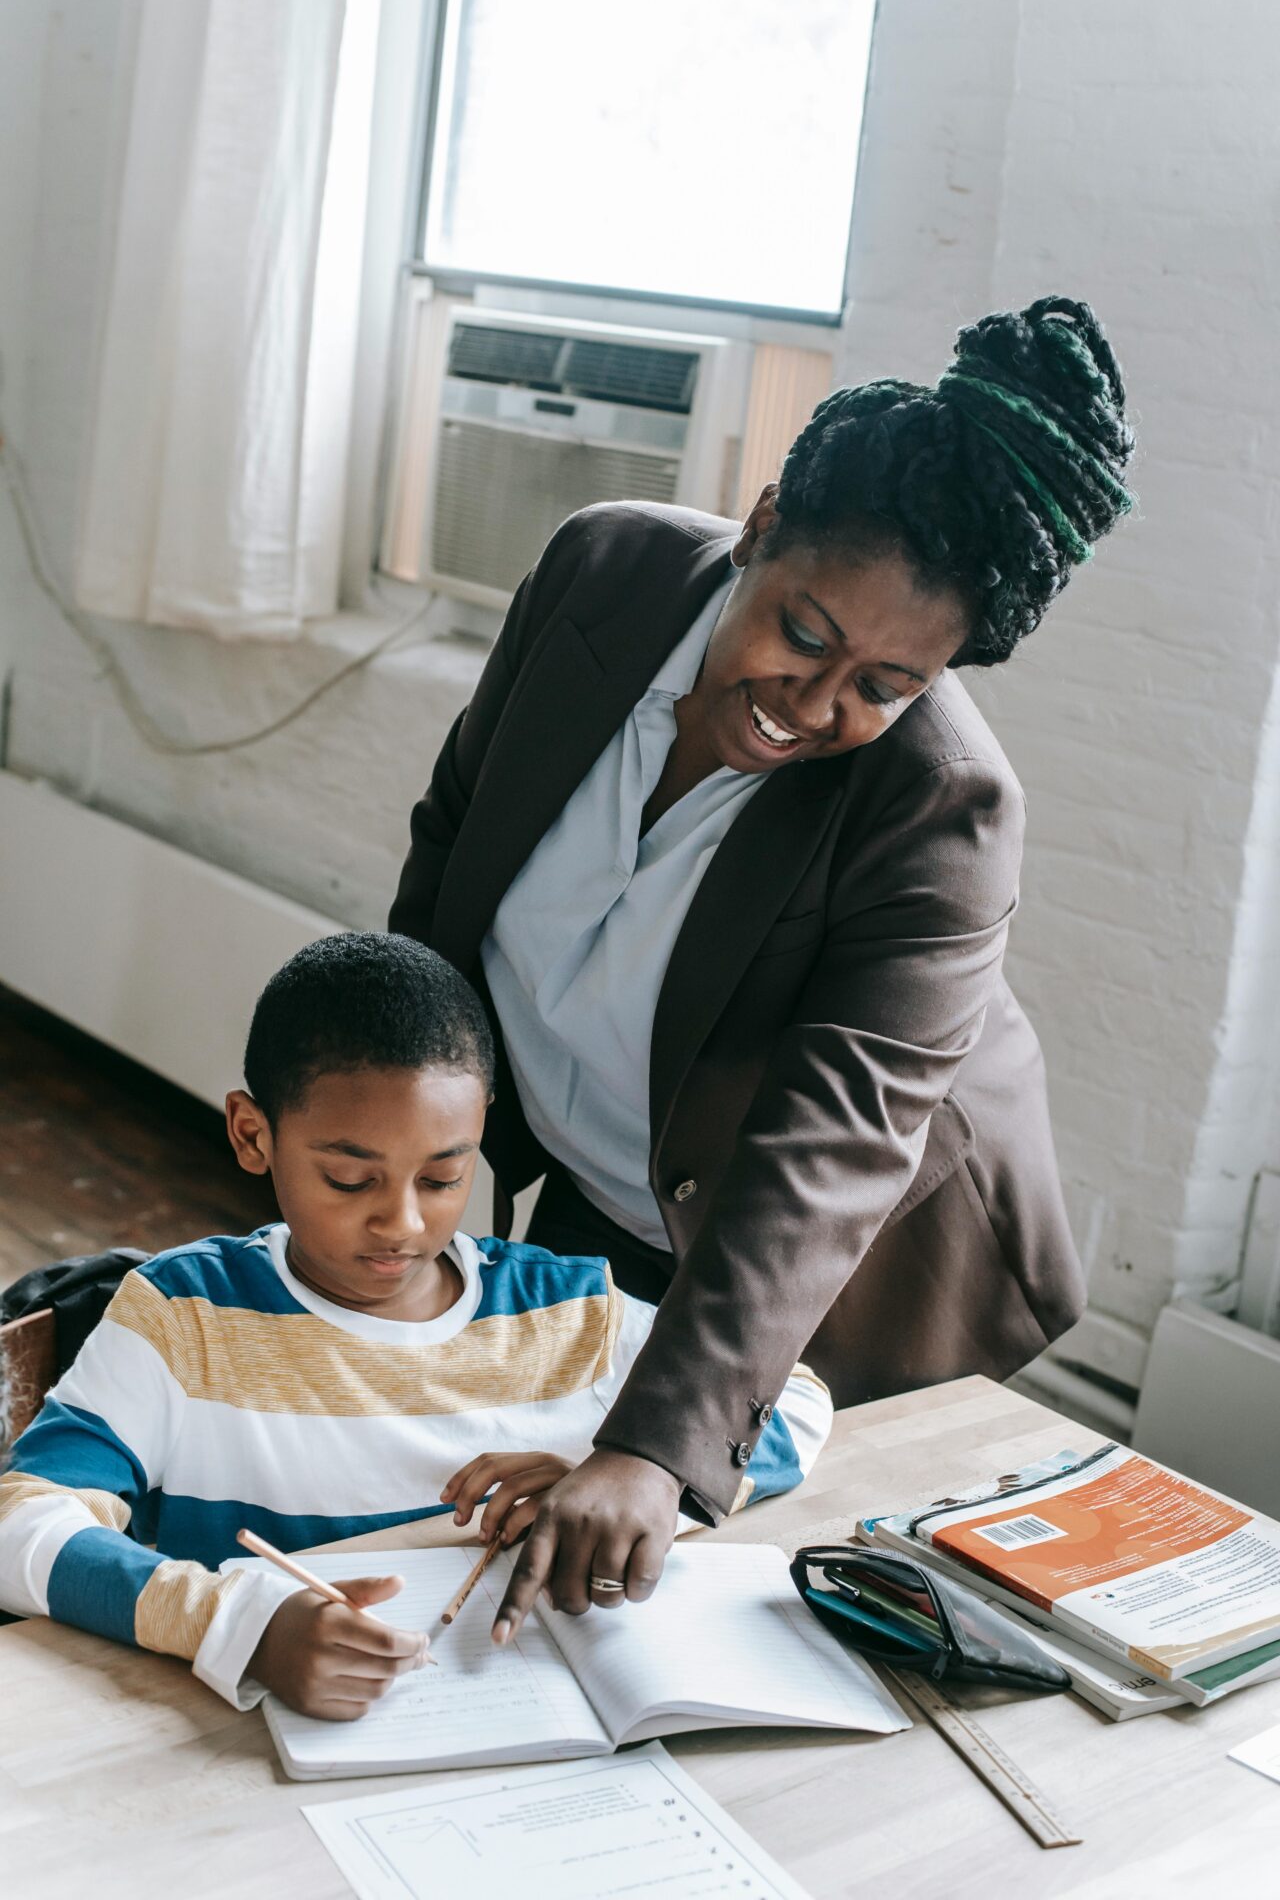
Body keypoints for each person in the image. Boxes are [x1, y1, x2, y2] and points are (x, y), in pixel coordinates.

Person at [389, 295, 1137, 1642]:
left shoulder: (943, 805)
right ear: (763, 522)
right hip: (608, 1186)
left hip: (828, 1288)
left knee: (745, 1651)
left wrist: (661, 1449)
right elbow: (453, 855)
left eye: (885, 685)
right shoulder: (596, 576)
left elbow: (830, 1146)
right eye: (803, 633)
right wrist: (390, 1150)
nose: (813, 706)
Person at [0, 933, 830, 1718]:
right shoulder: (185, 1317)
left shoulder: (567, 1310)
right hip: (254, 1745)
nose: (399, 1222)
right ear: (254, 1136)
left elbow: (792, 1399)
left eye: (443, 1177)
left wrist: (624, 1479)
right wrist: (237, 1624)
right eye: (349, 1179)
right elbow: (22, 1524)